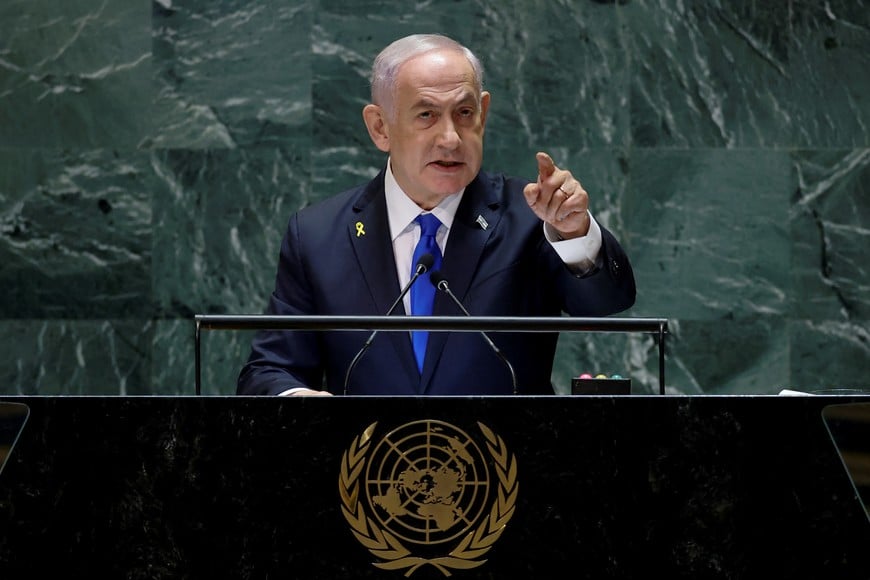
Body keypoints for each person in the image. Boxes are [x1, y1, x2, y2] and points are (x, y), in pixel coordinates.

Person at [237, 33, 636, 396]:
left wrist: (574, 233)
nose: (450, 138)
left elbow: (605, 305)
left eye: (464, 113)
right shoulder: (318, 235)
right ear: (380, 127)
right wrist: (297, 401)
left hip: (505, 467)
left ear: (483, 112)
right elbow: (270, 370)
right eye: (426, 115)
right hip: (369, 468)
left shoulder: (531, 216)